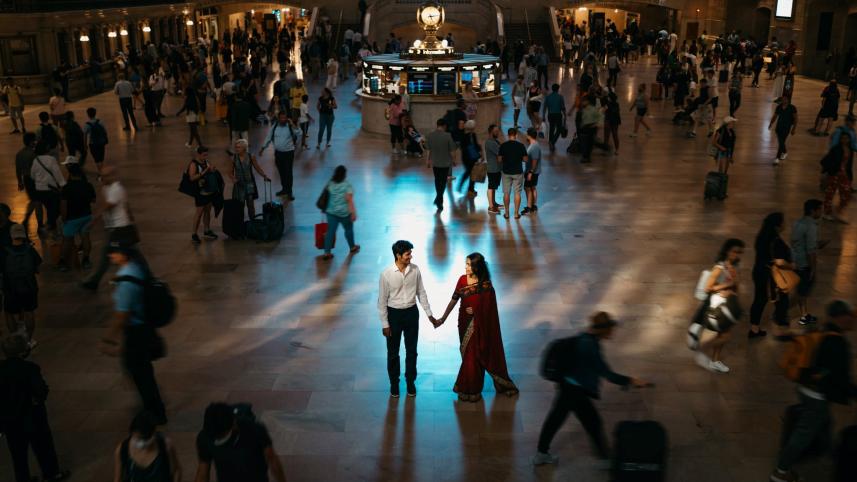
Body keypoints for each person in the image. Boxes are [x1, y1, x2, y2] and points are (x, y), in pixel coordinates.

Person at [533, 312, 650, 465]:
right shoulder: (590, 346)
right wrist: (631, 381)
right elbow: (607, 374)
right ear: (605, 330)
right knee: (589, 422)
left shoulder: (586, 337)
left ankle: (543, 453)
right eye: (611, 329)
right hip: (574, 391)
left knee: (559, 420)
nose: (613, 332)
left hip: (567, 386)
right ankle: (604, 458)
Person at [769, 300, 857, 482]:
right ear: (841, 317)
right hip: (816, 394)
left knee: (824, 420)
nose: (852, 320)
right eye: (850, 316)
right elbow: (839, 377)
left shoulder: (822, 330)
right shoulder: (836, 342)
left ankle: (827, 452)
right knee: (804, 433)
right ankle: (780, 472)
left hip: (805, 386)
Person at [435, 253, 518, 402]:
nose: (466, 267)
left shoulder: (485, 284)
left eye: (469, 265)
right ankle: (469, 388)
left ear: (477, 266)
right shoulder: (461, 280)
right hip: (464, 323)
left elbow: (490, 310)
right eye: (466, 264)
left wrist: (476, 311)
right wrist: (443, 318)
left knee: (475, 356)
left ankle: (472, 390)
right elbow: (453, 301)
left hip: (480, 325)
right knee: (468, 355)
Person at [99, 242, 167, 425]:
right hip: (144, 328)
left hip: (137, 331)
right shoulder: (137, 269)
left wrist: (108, 337)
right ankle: (153, 406)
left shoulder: (126, 280)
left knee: (140, 372)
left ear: (124, 255)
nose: (110, 256)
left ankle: (155, 411)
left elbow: (123, 315)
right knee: (141, 371)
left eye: (114, 252)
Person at [0, 335, 71, 482]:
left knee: (18, 454)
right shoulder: (30, 369)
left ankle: (23, 478)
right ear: (23, 352)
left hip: (10, 421)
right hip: (32, 417)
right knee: (43, 447)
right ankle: (51, 474)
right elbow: (40, 391)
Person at [377, 240, 437, 397]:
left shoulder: (415, 270)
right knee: (393, 352)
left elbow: (421, 292)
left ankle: (410, 382)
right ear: (398, 255)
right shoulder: (386, 275)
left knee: (412, 351)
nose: (411, 256)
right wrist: (385, 324)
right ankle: (394, 384)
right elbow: (382, 301)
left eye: (410, 253)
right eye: (407, 253)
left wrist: (429, 314)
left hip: (411, 313)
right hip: (394, 315)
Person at [195, 402, 288, 482]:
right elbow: (203, 472)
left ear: (234, 425)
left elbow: (271, 458)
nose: (217, 440)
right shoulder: (205, 437)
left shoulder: (254, 429)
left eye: (221, 437)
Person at [691, 238, 745, 372]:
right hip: (719, 308)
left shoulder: (735, 266)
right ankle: (702, 350)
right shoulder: (719, 267)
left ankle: (715, 360)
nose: (737, 255)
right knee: (724, 336)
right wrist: (726, 286)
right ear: (727, 251)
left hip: (728, 306)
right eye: (735, 252)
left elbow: (736, 286)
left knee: (723, 335)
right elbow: (708, 287)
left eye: (740, 252)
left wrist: (735, 285)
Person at [748, 213, 794, 339]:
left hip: (758, 271)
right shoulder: (776, 241)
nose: (785, 224)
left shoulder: (761, 236)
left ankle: (754, 329)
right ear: (777, 226)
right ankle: (781, 330)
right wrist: (793, 267)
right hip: (773, 276)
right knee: (782, 300)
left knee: (760, 299)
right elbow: (781, 261)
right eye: (783, 222)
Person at [113, 411, 181, 482]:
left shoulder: (165, 446)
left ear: (153, 434)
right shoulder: (122, 450)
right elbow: (118, 478)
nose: (139, 442)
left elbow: (176, 471)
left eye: (143, 438)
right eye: (136, 438)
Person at [2, 224, 41, 345]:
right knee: (29, 312)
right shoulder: (30, 250)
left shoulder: (4, 252)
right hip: (29, 286)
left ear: (11, 235)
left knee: (9, 313)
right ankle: (29, 340)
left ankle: (15, 339)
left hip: (10, 287)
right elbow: (38, 269)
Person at [791, 199, 824, 326]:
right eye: (819, 209)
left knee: (801, 291)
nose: (821, 212)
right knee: (802, 291)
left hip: (796, 260)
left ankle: (804, 315)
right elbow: (811, 251)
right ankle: (781, 312)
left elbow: (797, 242)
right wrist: (813, 269)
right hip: (804, 264)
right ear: (813, 210)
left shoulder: (798, 223)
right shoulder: (811, 226)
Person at [58, 160, 95, 271]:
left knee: (67, 240)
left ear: (70, 174)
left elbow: (63, 205)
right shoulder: (88, 186)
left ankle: (63, 262)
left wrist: (64, 218)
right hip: (86, 216)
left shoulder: (67, 188)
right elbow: (93, 200)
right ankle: (86, 260)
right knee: (85, 238)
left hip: (72, 218)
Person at [320, 165, 360, 260]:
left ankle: (327, 252)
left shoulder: (330, 183)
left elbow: (326, 196)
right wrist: (353, 213)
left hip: (331, 213)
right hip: (344, 213)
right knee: (348, 229)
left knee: (330, 232)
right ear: (344, 175)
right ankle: (352, 247)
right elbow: (349, 200)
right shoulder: (347, 185)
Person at [259, 111, 300, 200]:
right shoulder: (274, 126)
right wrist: (263, 148)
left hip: (288, 153)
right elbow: (268, 137)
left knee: (288, 172)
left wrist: (293, 124)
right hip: (278, 153)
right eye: (281, 118)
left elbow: (299, 133)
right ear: (278, 118)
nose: (283, 119)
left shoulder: (290, 126)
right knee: (281, 172)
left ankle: (289, 192)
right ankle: (284, 189)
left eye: (284, 118)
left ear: (287, 118)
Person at [30, 141, 65, 235]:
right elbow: (57, 173)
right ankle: (51, 226)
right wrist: (62, 184)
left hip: (39, 190)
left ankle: (47, 225)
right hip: (51, 189)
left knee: (47, 208)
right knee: (54, 209)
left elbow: (32, 175)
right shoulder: (51, 159)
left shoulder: (35, 160)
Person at [187, 147, 220, 244]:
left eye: (207, 155)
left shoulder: (206, 161)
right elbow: (192, 178)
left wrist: (212, 169)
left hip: (209, 191)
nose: (206, 157)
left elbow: (209, 171)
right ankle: (194, 234)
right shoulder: (193, 164)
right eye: (204, 155)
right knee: (199, 213)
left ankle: (207, 230)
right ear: (198, 154)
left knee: (207, 211)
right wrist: (204, 171)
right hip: (200, 193)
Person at [425, 118, 457, 212]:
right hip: (445, 163)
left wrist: (428, 161)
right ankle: (439, 200)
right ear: (444, 126)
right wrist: (454, 160)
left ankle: (439, 199)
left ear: (437, 125)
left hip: (435, 163)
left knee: (437, 180)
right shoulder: (448, 136)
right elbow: (452, 151)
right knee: (443, 182)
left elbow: (429, 150)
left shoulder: (430, 135)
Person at [821, 132, 853, 223]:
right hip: (834, 174)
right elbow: (826, 161)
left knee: (846, 194)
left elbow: (849, 165)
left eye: (846, 138)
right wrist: (825, 173)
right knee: (830, 194)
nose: (845, 140)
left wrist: (850, 177)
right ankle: (827, 213)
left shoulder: (849, 150)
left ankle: (838, 212)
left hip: (844, 175)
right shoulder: (836, 149)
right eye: (843, 138)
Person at [15, 132, 43, 231]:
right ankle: (40, 224)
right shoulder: (33, 154)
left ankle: (27, 220)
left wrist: (20, 181)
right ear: (31, 142)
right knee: (38, 202)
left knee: (33, 200)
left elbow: (18, 169)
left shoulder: (19, 154)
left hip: (26, 179)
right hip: (35, 180)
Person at [498, 127, 528, 219]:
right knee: (517, 193)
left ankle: (507, 214)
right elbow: (525, 159)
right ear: (516, 135)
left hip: (506, 171)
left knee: (506, 193)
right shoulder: (521, 146)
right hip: (517, 172)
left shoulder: (503, 146)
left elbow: (499, 160)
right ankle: (515, 214)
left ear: (508, 135)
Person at [769, 95, 797, 165]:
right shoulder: (779, 107)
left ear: (788, 100)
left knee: (781, 142)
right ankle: (784, 152)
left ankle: (777, 158)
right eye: (782, 99)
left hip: (786, 128)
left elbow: (796, 119)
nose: (783, 101)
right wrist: (771, 123)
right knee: (781, 142)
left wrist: (793, 129)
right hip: (778, 127)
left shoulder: (792, 108)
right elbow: (775, 116)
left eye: (785, 99)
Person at [457, 119, 481, 197]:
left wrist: (479, 153)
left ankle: (471, 189)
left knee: (473, 173)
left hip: (473, 157)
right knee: (469, 172)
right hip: (467, 157)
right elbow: (463, 147)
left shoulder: (473, 135)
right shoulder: (463, 135)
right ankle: (463, 186)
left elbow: (476, 144)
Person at [484, 124, 503, 214]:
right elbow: (500, 153)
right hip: (492, 169)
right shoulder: (490, 142)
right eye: (496, 131)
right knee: (491, 187)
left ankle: (494, 203)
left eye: (498, 131)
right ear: (491, 132)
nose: (497, 132)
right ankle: (491, 206)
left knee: (494, 187)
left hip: (497, 168)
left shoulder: (495, 141)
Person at [542, 83, 567, 151]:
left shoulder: (548, 97)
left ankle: (550, 142)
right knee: (559, 129)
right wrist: (565, 115)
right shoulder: (560, 97)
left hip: (550, 115)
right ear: (558, 89)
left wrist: (543, 116)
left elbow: (544, 108)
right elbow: (562, 107)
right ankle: (552, 142)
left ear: (552, 89)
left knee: (551, 128)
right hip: (558, 115)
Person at [522, 127, 541, 215]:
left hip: (532, 172)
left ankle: (529, 207)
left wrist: (530, 172)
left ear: (529, 135)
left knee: (527, 188)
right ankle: (533, 206)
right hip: (534, 171)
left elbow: (534, 160)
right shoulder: (534, 145)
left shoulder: (534, 146)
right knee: (532, 187)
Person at [84, 107, 109, 173]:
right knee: (101, 158)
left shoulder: (87, 125)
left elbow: (85, 135)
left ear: (88, 114)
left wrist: (85, 145)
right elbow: (105, 131)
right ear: (95, 113)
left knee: (96, 159)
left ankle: (100, 171)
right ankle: (101, 171)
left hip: (92, 144)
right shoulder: (100, 122)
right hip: (101, 142)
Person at [578, 95, 601, 164]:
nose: (582, 102)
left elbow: (598, 117)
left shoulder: (592, 109)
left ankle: (586, 157)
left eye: (584, 101)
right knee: (586, 143)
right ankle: (586, 157)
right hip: (586, 128)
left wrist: (596, 124)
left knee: (588, 143)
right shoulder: (583, 109)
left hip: (590, 128)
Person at [603, 89, 621, 155]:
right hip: (615, 120)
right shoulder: (617, 104)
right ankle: (617, 150)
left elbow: (604, 110)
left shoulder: (608, 104)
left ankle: (606, 148)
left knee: (607, 135)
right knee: (615, 135)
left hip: (609, 120)